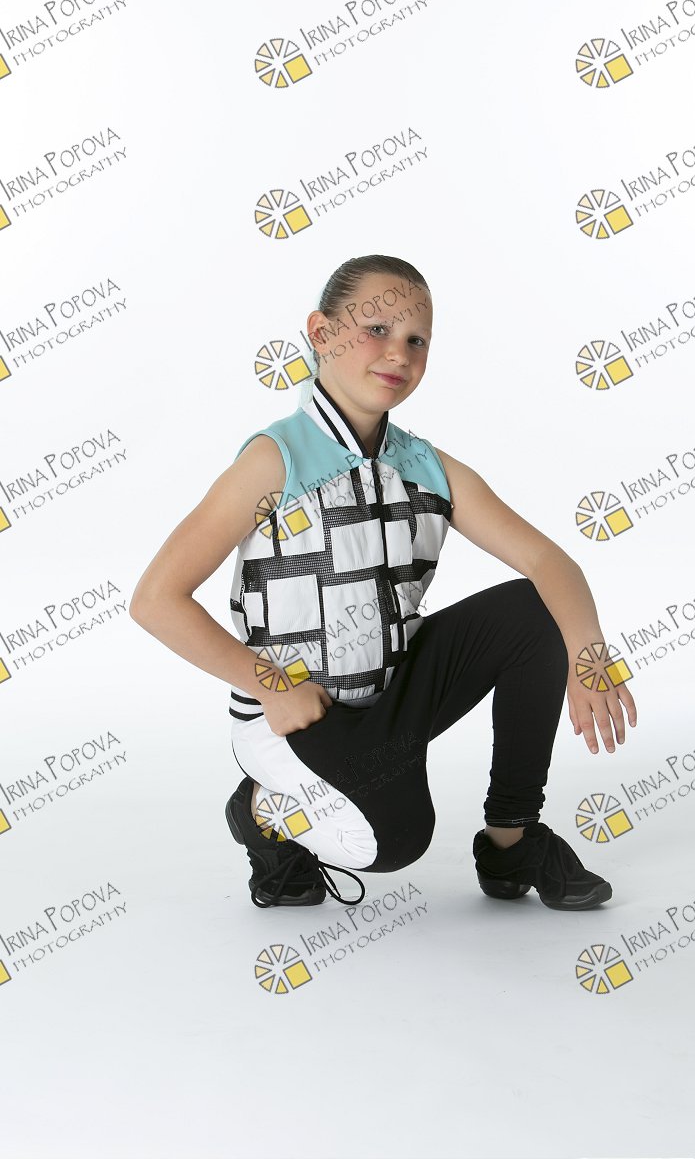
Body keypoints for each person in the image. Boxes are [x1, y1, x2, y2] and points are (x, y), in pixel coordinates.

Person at [130, 254, 637, 913]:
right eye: (376, 329)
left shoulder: (426, 466)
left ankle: (512, 839)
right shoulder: (275, 460)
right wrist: (269, 684)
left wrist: (589, 655)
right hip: (299, 716)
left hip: (393, 697)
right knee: (396, 840)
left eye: (416, 340)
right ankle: (262, 810)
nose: (399, 353)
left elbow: (549, 562)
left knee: (537, 612)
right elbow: (156, 600)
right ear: (321, 332)